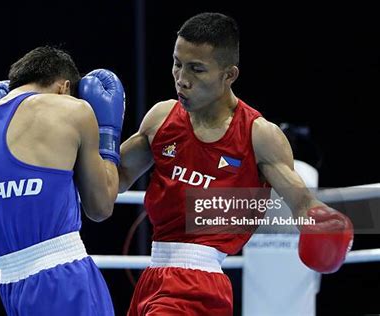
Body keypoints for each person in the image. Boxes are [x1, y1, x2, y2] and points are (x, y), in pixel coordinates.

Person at [118, 13, 354, 315]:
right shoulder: (161, 118)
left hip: (198, 285)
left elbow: (302, 204)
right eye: (177, 63)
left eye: (196, 69)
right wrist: (101, 137)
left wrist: (326, 224)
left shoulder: (258, 135)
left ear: (229, 75)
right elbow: (115, 180)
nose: (182, 79)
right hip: (152, 279)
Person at [0, 45, 125, 315]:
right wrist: (107, 137)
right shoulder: (72, 109)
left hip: (10, 284)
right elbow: (100, 207)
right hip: (66, 279)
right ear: (63, 87)